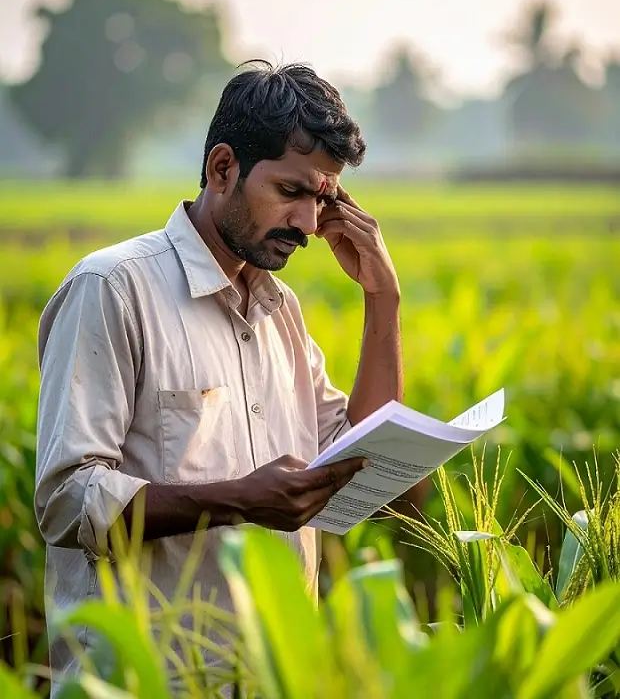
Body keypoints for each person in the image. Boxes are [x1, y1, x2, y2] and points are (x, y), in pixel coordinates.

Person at [34, 60, 420, 692]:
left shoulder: (280, 313)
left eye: (322, 199)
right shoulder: (113, 288)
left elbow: (361, 459)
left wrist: (383, 299)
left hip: (269, 679)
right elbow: (67, 500)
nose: (306, 222)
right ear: (222, 168)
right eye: (291, 192)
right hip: (140, 683)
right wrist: (239, 499)